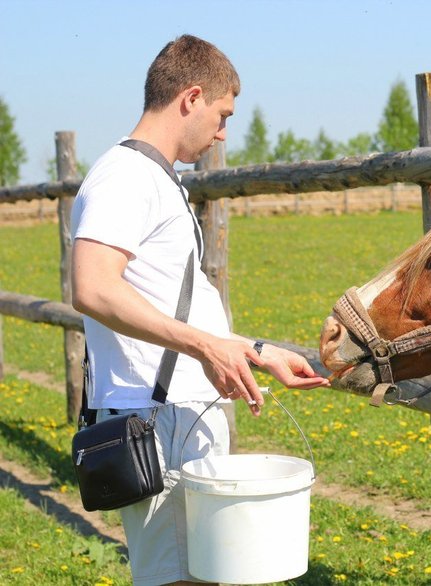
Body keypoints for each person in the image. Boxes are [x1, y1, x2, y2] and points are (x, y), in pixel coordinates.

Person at [71, 34, 330, 586]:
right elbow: (93, 288)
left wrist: (258, 353)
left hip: (179, 416)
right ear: (190, 96)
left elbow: (176, 305)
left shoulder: (161, 179)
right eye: (221, 114)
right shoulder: (125, 177)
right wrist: (206, 347)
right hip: (156, 422)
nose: (222, 133)